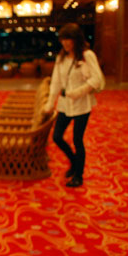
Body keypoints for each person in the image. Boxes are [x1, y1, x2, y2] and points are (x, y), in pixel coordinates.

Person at [43, 23, 105, 187]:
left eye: (68, 39)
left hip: (82, 104)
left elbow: (97, 79)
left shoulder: (87, 55)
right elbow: (56, 82)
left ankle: (78, 175)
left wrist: (78, 92)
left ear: (76, 39)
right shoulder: (61, 58)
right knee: (57, 136)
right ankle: (74, 161)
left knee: (78, 140)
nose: (65, 43)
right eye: (63, 39)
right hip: (65, 104)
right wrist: (50, 103)